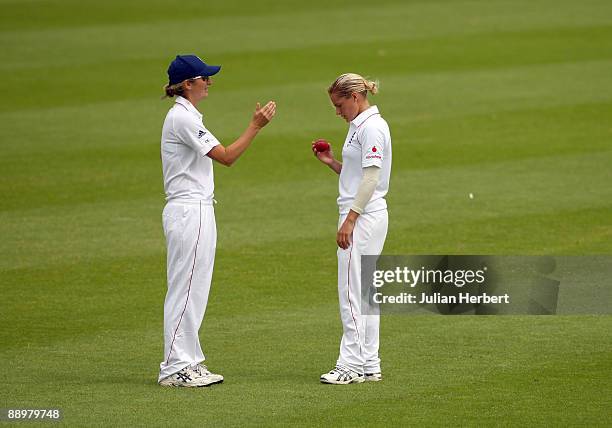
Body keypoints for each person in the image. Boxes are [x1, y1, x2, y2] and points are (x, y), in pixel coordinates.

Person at [158, 54, 276, 387]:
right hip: (188, 210)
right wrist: (255, 126)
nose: (209, 82)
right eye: (203, 78)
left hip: (198, 208)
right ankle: (174, 366)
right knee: (185, 288)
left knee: (196, 288)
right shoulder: (182, 118)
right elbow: (226, 157)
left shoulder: (188, 115)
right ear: (187, 84)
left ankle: (189, 361)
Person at [313, 73, 391, 385]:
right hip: (368, 213)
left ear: (355, 98)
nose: (337, 110)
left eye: (339, 104)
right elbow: (359, 175)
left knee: (351, 291)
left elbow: (372, 179)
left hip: (363, 216)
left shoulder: (371, 127)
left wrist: (350, 219)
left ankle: (351, 364)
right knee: (367, 293)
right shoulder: (360, 125)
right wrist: (332, 163)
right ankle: (370, 363)